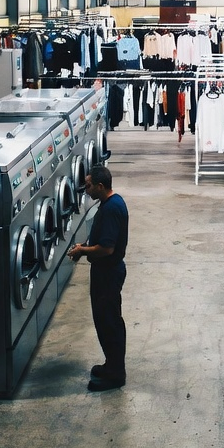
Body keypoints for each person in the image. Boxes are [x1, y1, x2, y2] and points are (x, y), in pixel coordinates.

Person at [68, 164, 128, 392]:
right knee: (105, 321)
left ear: (100, 186)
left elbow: (107, 248)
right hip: (106, 271)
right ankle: (111, 365)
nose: (86, 189)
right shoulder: (110, 202)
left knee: (109, 323)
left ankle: (116, 375)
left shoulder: (111, 208)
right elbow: (102, 240)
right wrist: (84, 245)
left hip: (108, 273)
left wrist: (83, 251)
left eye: (89, 185)